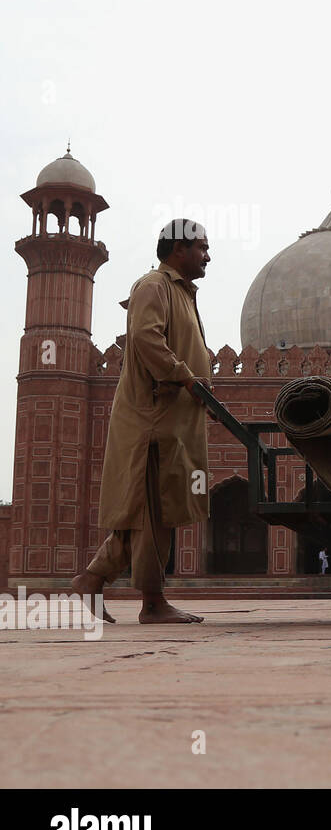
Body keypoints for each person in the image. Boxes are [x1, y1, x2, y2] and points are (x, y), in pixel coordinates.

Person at [70, 219, 213, 624]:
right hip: (153, 418)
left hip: (172, 423)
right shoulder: (154, 286)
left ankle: (92, 579)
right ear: (178, 249)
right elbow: (148, 339)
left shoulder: (181, 293)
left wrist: (196, 380)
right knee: (152, 513)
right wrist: (186, 376)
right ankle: (152, 602)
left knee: (153, 511)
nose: (208, 255)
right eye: (202, 246)